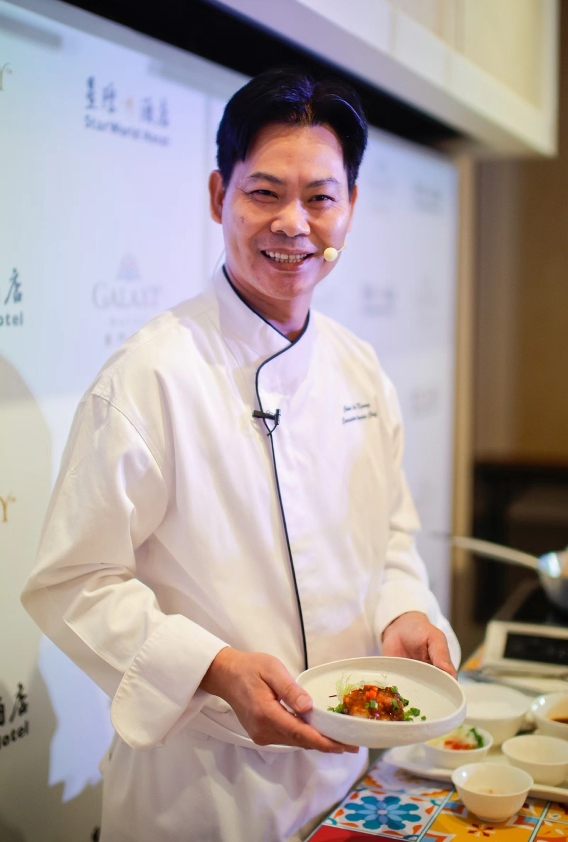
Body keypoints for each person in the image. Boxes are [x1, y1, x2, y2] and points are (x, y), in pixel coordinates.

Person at [22, 69, 460, 842]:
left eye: (320, 197)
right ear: (218, 194)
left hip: (348, 780)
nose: (294, 223)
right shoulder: (151, 374)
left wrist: (403, 612)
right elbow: (74, 581)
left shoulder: (360, 369)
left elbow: (391, 537)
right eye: (265, 193)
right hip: (200, 793)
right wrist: (215, 667)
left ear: (351, 206)